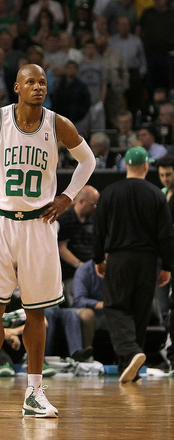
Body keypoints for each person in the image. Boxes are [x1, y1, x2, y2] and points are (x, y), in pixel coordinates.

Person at [0, 63, 96, 418]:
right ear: (16, 87)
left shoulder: (57, 123)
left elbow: (88, 160)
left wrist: (67, 197)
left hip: (39, 224)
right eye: (30, 82)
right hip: (0, 222)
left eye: (43, 82)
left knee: (37, 311)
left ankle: (34, 391)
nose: (38, 87)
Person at [93, 146, 174, 383]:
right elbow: (166, 236)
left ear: (125, 166)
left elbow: (99, 230)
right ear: (146, 166)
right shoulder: (157, 194)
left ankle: (130, 353)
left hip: (119, 258)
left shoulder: (109, 192)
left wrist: (98, 258)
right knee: (139, 313)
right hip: (148, 261)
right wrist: (167, 266)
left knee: (116, 307)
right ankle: (129, 369)